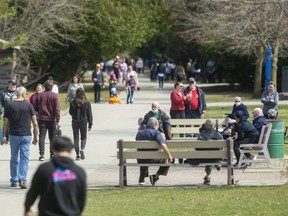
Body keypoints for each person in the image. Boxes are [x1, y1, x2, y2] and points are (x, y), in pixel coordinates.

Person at [24, 136, 87, 216]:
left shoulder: (44, 169)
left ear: (53, 149)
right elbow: (82, 199)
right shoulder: (79, 172)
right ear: (71, 151)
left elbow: (33, 192)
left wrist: (27, 208)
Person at [2, 86, 38, 189]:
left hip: (14, 135)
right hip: (26, 135)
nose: (27, 94)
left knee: (14, 157)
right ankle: (22, 179)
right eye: (26, 93)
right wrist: (36, 137)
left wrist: (4, 136)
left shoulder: (9, 106)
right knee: (24, 158)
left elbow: (5, 124)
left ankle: (14, 180)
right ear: (22, 94)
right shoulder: (29, 106)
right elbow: (35, 124)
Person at [136, 117, 173, 186]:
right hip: (152, 159)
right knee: (167, 161)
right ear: (155, 125)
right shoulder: (156, 133)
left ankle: (142, 178)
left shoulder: (139, 133)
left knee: (144, 155)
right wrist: (169, 155)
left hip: (141, 159)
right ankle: (156, 176)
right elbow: (162, 144)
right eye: (158, 125)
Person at [185, 119, 223, 185]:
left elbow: (197, 148)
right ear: (213, 126)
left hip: (202, 157)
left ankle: (208, 177)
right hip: (215, 157)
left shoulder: (201, 135)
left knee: (206, 156)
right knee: (211, 157)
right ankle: (211, 171)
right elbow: (221, 148)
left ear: (205, 125)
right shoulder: (219, 135)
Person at [34, 80, 60, 161]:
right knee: (52, 137)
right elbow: (57, 109)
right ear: (52, 87)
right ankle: (52, 154)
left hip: (41, 118)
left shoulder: (40, 95)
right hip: (52, 119)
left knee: (42, 136)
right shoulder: (55, 96)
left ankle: (41, 154)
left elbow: (35, 107)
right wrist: (58, 119)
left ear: (44, 87)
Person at [69, 88, 93, 160]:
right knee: (83, 137)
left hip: (75, 121)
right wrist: (90, 124)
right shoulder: (87, 102)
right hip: (84, 122)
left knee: (76, 137)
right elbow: (89, 114)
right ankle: (82, 148)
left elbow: (71, 113)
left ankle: (77, 155)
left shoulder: (73, 102)